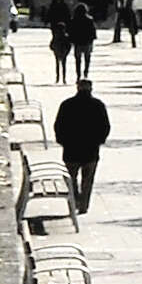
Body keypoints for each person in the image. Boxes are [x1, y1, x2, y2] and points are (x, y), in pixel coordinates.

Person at [54, 77, 112, 214]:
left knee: (71, 178)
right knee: (88, 180)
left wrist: (62, 141)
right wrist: (100, 140)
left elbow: (59, 125)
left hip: (71, 149)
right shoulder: (98, 105)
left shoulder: (67, 104)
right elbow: (105, 126)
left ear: (77, 88)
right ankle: (84, 204)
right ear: (91, 89)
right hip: (91, 149)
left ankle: (74, 200)